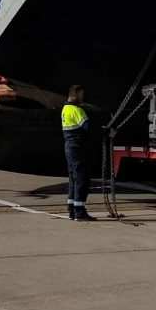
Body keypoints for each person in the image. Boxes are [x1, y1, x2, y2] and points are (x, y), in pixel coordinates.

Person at [60, 83, 93, 221]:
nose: (83, 97)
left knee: (73, 178)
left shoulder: (65, 109)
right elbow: (88, 127)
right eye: (81, 94)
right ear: (76, 94)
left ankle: (72, 209)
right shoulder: (76, 110)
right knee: (82, 179)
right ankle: (80, 211)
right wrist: (106, 132)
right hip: (78, 147)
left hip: (69, 146)